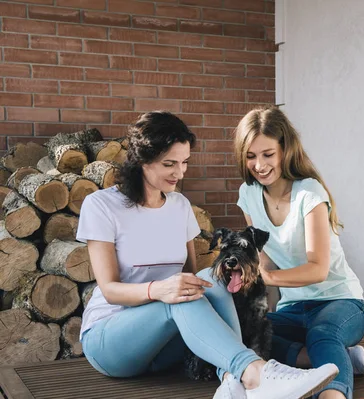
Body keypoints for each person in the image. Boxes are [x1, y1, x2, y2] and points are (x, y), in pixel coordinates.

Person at [76, 111, 339, 399]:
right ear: (142, 160)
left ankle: (232, 382)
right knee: (177, 296)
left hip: (167, 346)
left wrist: (184, 287)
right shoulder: (101, 205)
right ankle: (254, 374)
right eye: (169, 164)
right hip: (112, 341)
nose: (180, 172)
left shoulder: (179, 206)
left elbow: (194, 281)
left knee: (204, 280)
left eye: (184, 162)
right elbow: (111, 290)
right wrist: (159, 289)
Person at [233, 107, 364, 399]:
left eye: (268, 154)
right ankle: (338, 358)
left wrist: (265, 277)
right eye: (251, 156)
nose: (259, 165)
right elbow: (265, 257)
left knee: (323, 333)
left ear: (285, 150)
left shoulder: (309, 193)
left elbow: (317, 269)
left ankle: (332, 392)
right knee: (246, 332)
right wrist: (258, 304)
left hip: (340, 301)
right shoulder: (248, 195)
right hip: (294, 309)